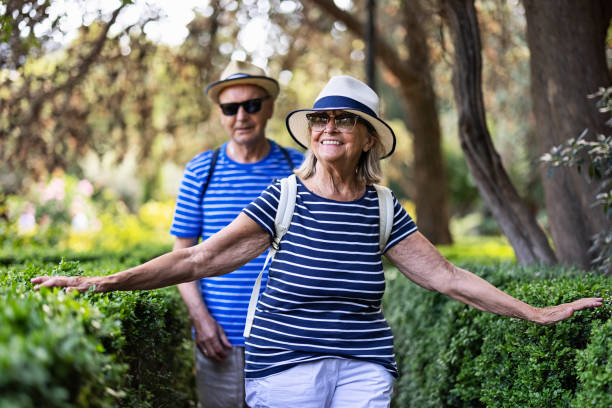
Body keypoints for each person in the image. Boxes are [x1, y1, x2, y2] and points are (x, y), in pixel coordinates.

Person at [32, 75, 602, 408]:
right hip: (284, 367)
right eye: (322, 119)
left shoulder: (383, 207)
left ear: (366, 141)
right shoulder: (283, 197)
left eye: (345, 121)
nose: (329, 128)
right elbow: (201, 256)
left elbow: (448, 276)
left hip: (363, 366)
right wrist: (99, 282)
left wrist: (538, 312)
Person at [168, 60, 303, 407]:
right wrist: (201, 321)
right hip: (220, 343)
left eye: (252, 105)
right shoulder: (201, 171)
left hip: (288, 342)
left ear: (269, 107)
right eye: (230, 107)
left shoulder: (300, 169)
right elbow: (181, 257)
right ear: (221, 113)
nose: (241, 115)